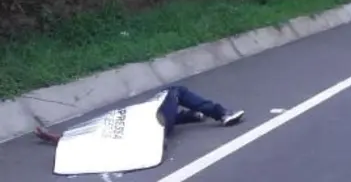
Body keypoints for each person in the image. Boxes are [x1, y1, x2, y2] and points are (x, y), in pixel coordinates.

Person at [34, 85, 245, 144]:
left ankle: (191, 116)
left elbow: (86, 137)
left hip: (151, 125)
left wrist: (57, 138)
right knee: (176, 91)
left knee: (165, 105)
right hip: (156, 123)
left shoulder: (103, 136)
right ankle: (221, 113)